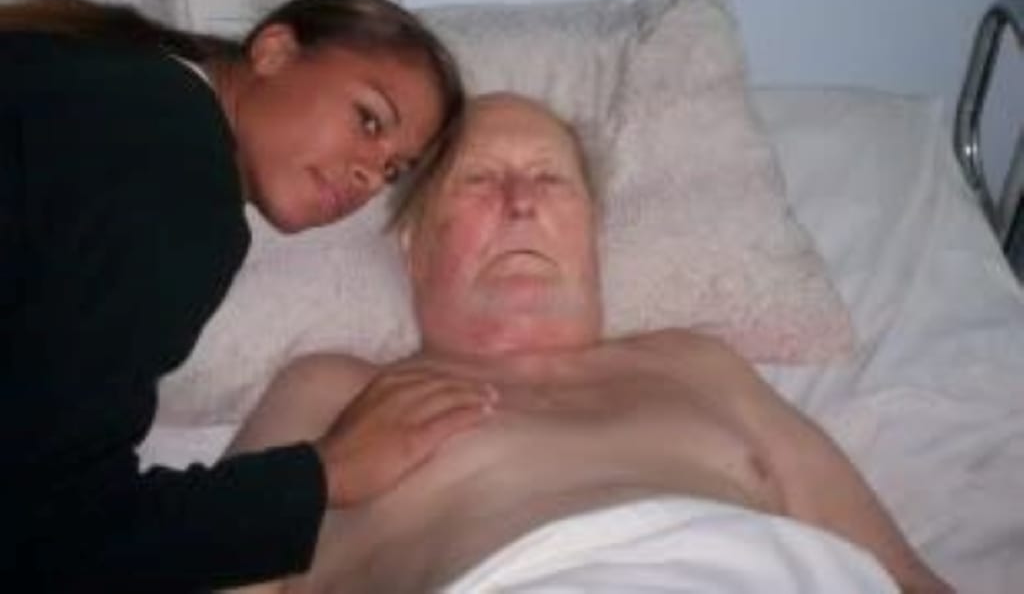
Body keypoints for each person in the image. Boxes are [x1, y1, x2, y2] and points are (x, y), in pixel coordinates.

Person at [225, 92, 954, 594]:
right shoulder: (334, 391)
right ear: (414, 245)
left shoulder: (701, 367)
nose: (521, 201)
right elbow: (209, 563)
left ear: (593, 235)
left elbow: (905, 577)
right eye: (479, 180)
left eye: (550, 179)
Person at [1, 0, 498, 590]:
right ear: (274, 51)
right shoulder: (181, 182)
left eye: (394, 170)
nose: (370, 175)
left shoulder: (107, 78)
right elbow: (49, 533)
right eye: (369, 120)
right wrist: (327, 473)